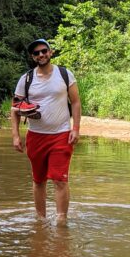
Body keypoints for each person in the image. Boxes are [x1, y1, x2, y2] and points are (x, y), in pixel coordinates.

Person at [11, 38, 81, 224]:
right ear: (32, 57)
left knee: (60, 180)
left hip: (61, 134)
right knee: (39, 180)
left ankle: (61, 221)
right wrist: (16, 136)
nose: (41, 55)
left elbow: (75, 102)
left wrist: (75, 128)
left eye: (44, 51)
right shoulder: (26, 79)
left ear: (51, 52)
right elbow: (15, 107)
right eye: (36, 53)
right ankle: (41, 221)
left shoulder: (65, 74)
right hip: (35, 136)